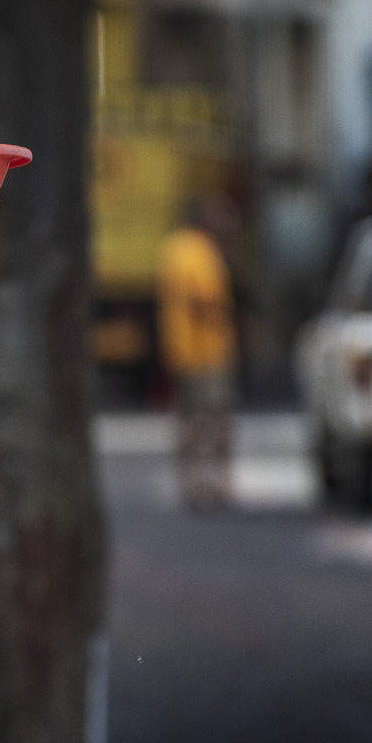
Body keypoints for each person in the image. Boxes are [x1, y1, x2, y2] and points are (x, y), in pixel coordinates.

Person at [157, 200, 237, 510]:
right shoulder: (200, 250)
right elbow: (204, 298)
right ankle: (215, 484)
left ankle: (190, 482)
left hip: (179, 349)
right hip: (208, 351)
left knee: (187, 420)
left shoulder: (173, 248)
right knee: (213, 421)